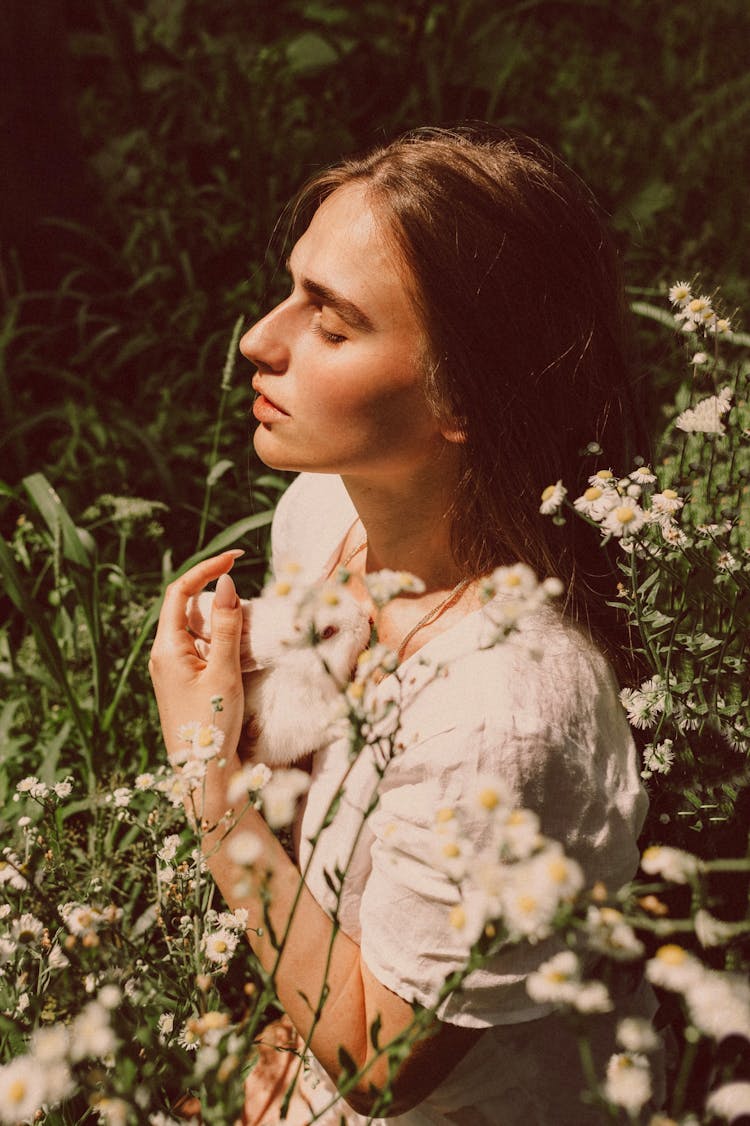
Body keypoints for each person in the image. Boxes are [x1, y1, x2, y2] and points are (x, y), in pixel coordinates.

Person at [150, 126, 661, 1124]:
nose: (260, 337)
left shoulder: (505, 713)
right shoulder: (327, 511)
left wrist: (207, 777)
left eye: (332, 325)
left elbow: (384, 1063)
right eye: (291, 289)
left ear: (462, 396)